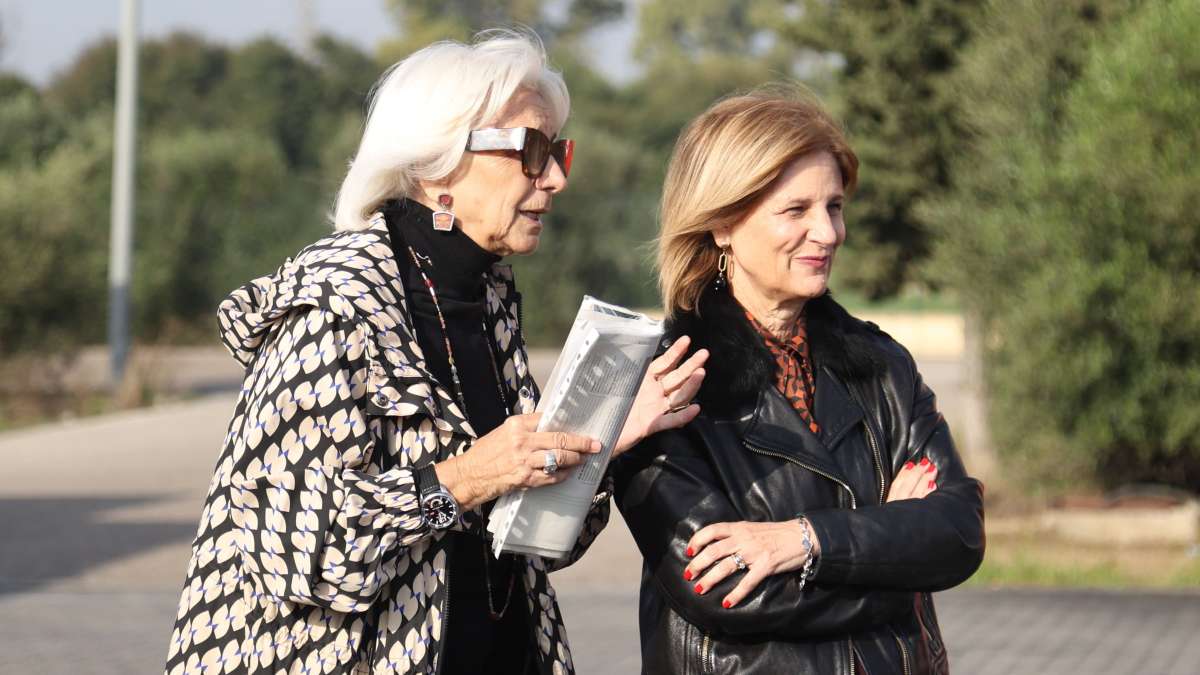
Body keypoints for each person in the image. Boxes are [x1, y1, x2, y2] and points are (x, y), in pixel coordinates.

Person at [165, 31, 707, 675]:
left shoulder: (487, 296)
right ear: (436, 166)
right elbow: (297, 554)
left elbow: (537, 545)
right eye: (531, 151)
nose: (556, 177)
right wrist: (467, 476)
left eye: (558, 150)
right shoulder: (334, 304)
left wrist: (601, 436)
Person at [613, 89, 985, 675]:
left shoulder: (885, 366)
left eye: (834, 207)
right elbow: (728, 592)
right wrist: (892, 547)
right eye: (796, 210)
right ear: (722, 225)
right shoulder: (661, 385)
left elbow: (959, 534)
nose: (828, 232)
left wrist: (803, 541)